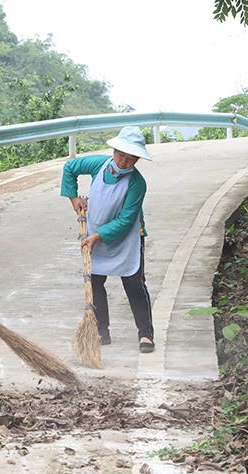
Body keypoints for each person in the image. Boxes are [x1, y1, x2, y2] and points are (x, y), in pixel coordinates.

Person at [60, 126, 155, 353]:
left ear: (137, 159)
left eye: (131, 159)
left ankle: (146, 334)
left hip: (127, 237)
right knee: (95, 281)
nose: (123, 162)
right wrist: (73, 198)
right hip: (94, 231)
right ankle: (101, 330)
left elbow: (126, 219)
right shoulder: (98, 164)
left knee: (133, 284)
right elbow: (70, 167)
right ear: (113, 150)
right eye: (120, 155)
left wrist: (99, 236)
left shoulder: (137, 183)